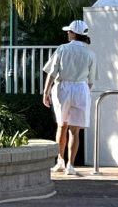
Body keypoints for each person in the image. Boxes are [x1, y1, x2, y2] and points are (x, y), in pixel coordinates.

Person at [42, 19, 97, 176]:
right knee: (75, 130)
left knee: (62, 126)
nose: (67, 33)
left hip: (63, 88)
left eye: (69, 31)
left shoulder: (62, 49)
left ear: (74, 33)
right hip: (81, 88)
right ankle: (70, 165)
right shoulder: (90, 53)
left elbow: (52, 72)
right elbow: (91, 81)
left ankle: (60, 161)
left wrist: (46, 92)